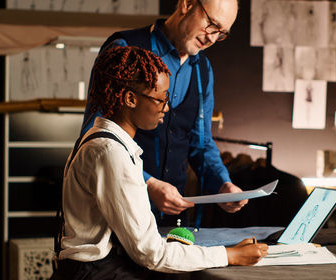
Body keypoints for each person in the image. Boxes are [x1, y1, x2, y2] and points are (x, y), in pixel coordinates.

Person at [51, 46, 268, 280]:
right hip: (95, 273)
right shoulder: (109, 152)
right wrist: (229, 255)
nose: (166, 107)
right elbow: (151, 254)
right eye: (161, 98)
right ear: (130, 98)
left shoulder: (103, 142)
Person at [80, 0, 247, 226]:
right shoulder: (124, 49)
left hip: (173, 221)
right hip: (119, 212)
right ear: (186, 4)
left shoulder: (203, 70)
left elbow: (201, 143)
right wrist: (147, 184)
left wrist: (223, 184)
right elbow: (95, 136)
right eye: (211, 24)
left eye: (221, 33)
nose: (212, 38)